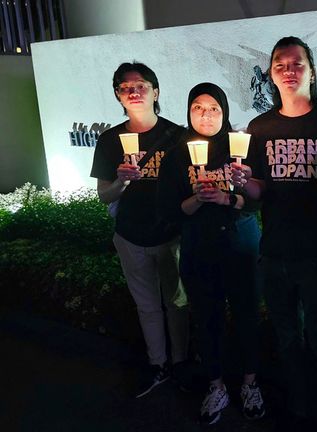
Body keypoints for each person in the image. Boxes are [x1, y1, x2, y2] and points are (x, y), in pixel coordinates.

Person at [238, 36, 317, 431]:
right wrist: (243, 183)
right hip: (274, 253)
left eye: (296, 63)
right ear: (271, 74)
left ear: (311, 70)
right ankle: (299, 412)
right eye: (280, 65)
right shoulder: (259, 127)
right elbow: (258, 193)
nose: (288, 71)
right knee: (287, 342)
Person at [157, 82, 265, 425]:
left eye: (214, 108)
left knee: (248, 314)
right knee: (207, 318)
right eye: (198, 108)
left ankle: (250, 383)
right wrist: (195, 201)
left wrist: (230, 198)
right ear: (189, 112)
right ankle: (215, 385)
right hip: (199, 247)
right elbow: (169, 211)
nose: (206, 115)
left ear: (225, 112)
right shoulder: (176, 155)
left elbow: (260, 200)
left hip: (241, 243)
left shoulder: (240, 148)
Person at [90, 62, 189, 398]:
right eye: (125, 87)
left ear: (156, 92)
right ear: (118, 95)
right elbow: (105, 194)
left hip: (171, 235)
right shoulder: (109, 140)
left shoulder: (178, 136)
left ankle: (181, 363)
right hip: (130, 236)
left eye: (141, 85)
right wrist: (121, 180)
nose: (133, 91)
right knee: (147, 305)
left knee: (176, 302)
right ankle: (158, 364)